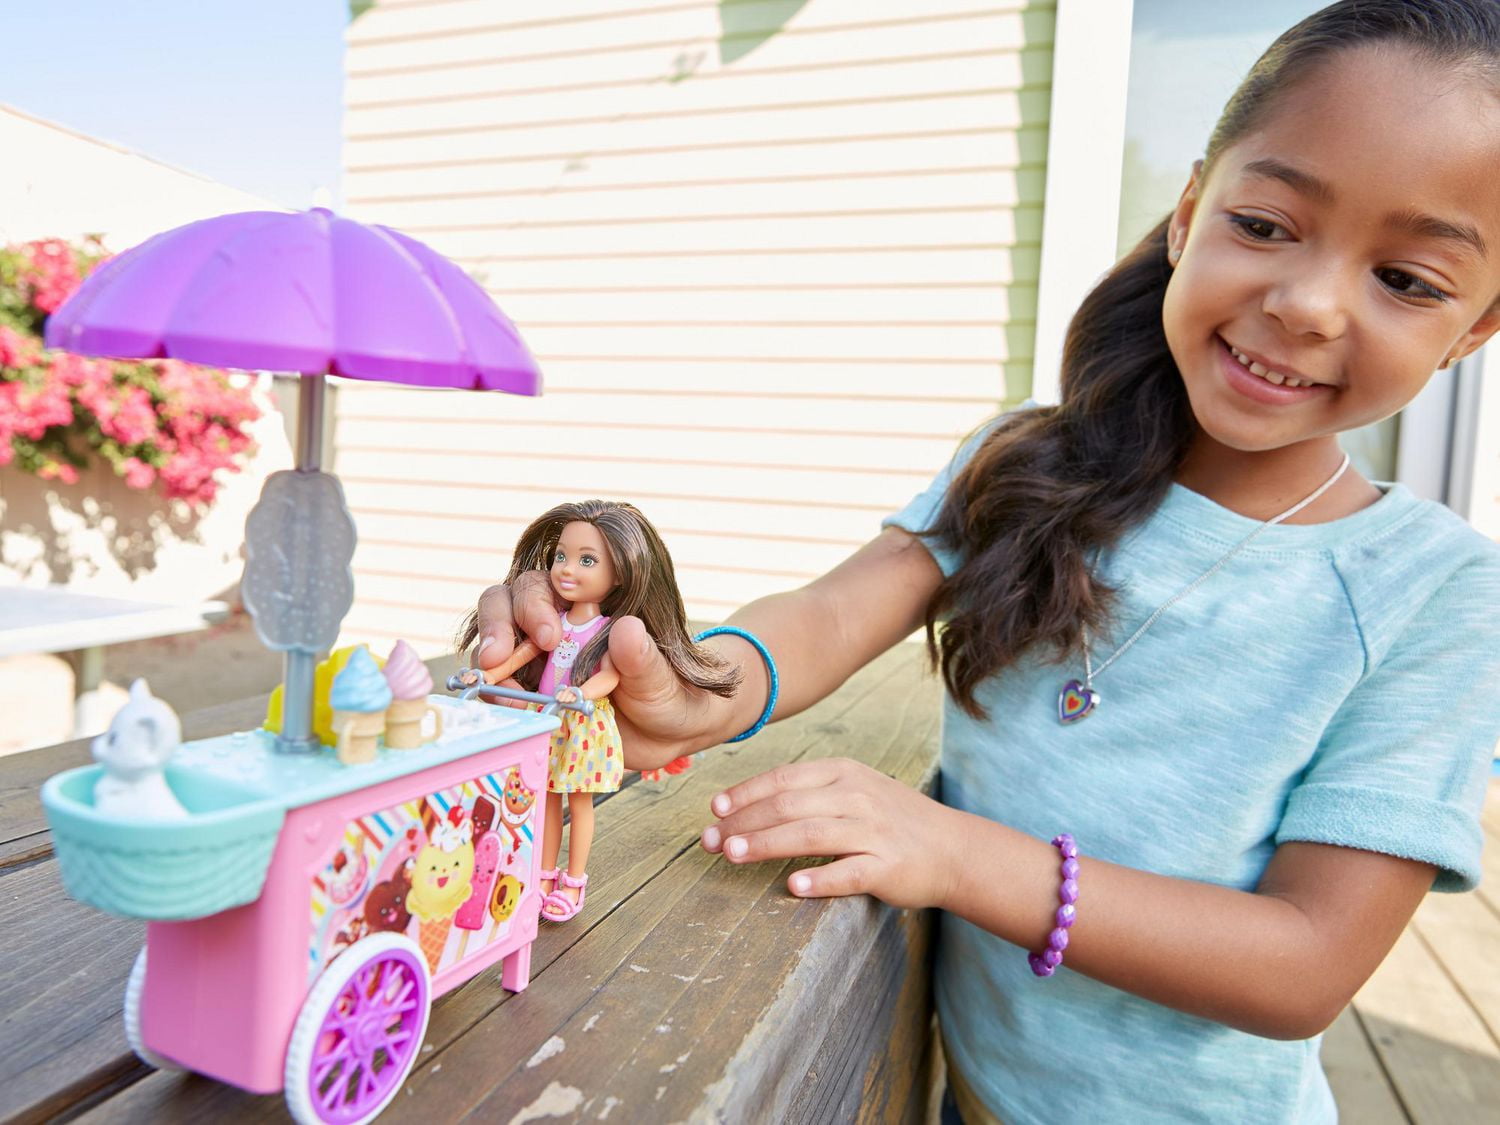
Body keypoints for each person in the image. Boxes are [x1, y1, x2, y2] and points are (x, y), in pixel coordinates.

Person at [468, 1, 1500, 1119]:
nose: (1304, 303)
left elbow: (1306, 963)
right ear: (1191, 208)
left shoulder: (1438, 591)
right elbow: (834, 611)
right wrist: (693, 688)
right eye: (1264, 222)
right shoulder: (1033, 462)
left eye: (1407, 280)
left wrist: (956, 854)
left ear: (1478, 328)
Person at [457, 500, 738, 921]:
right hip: (550, 720)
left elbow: (610, 676)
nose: (567, 570)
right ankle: (542, 874)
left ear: (619, 574)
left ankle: (572, 883)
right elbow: (519, 657)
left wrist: (581, 693)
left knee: (580, 802)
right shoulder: (557, 621)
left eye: (586, 560)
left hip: (583, 724)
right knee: (547, 800)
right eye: (562, 557)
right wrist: (484, 676)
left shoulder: (606, 629)